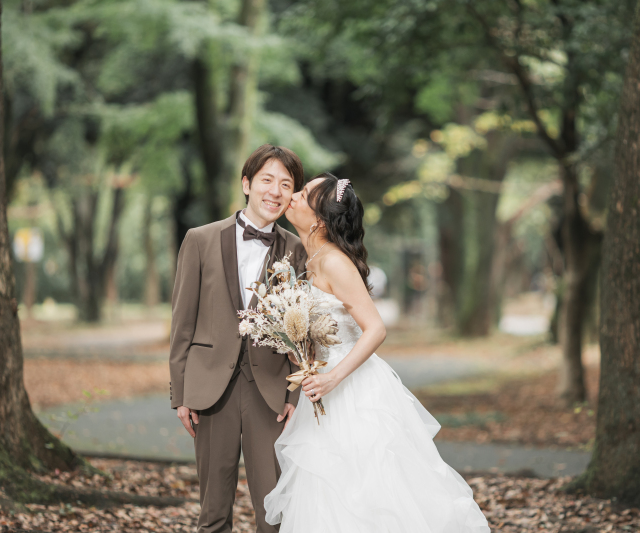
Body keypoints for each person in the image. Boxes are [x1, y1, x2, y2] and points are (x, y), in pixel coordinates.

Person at [264, 172, 490, 532]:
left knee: (365, 491)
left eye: (302, 194)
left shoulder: (334, 261)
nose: (292, 196)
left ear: (320, 218)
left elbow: (376, 328)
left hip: (351, 391)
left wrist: (332, 378)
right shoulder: (312, 259)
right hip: (321, 389)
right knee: (325, 491)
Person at [169, 144, 308, 533]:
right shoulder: (199, 239)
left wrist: (294, 395)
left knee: (274, 512)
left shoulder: (296, 250)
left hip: (271, 393)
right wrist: (180, 393)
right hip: (210, 390)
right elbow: (182, 322)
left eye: (286, 184)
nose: (275, 191)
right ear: (247, 184)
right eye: (267, 180)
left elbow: (300, 330)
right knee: (213, 512)